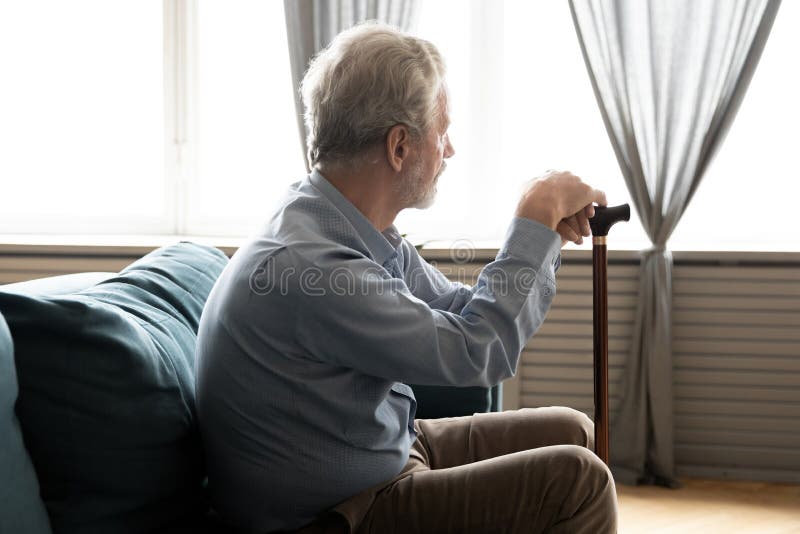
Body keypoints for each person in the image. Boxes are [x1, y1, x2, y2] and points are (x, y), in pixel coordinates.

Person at [195, 21, 617, 534]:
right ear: (400, 147)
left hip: (380, 453)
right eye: (443, 132)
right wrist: (530, 224)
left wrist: (539, 233)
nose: (450, 150)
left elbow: (462, 313)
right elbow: (477, 350)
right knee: (579, 480)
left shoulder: (344, 224)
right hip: (343, 510)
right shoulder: (313, 269)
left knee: (575, 432)